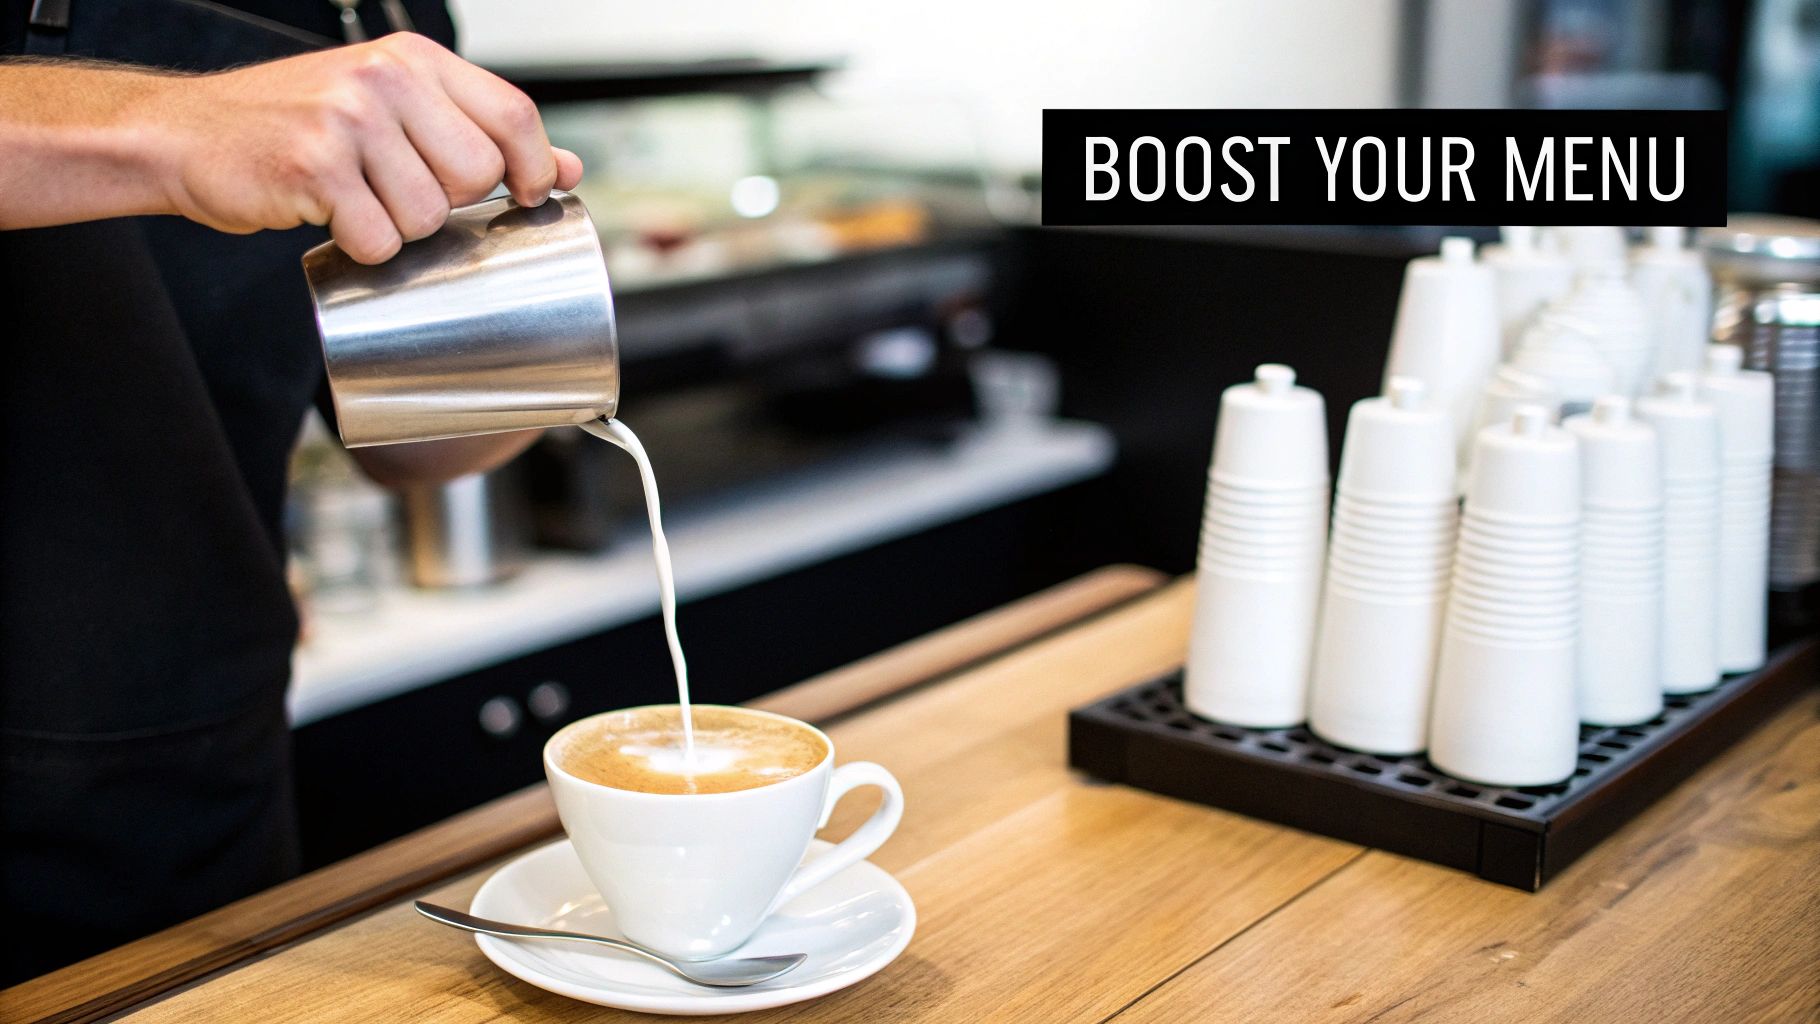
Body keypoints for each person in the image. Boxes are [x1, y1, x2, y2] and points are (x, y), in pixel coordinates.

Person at [0, 1, 579, 983]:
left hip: (194, 765)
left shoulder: (379, 13)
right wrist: (170, 130)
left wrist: (536, 316)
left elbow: (410, 448)